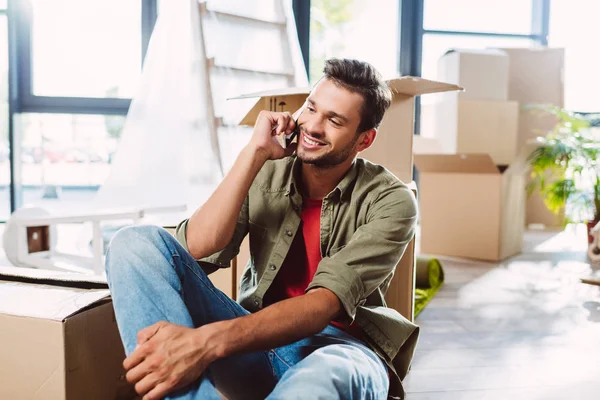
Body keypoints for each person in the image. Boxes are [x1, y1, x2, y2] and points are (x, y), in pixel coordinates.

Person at [105, 58, 419, 400]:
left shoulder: (392, 201)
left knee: (319, 381)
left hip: (341, 350)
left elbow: (321, 307)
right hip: (253, 341)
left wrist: (204, 343)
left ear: (364, 140)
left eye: (334, 121)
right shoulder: (270, 169)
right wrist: (254, 153)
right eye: (311, 108)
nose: (313, 126)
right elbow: (194, 249)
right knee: (134, 243)